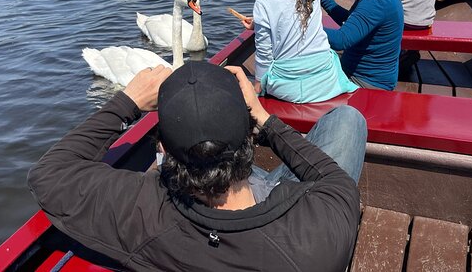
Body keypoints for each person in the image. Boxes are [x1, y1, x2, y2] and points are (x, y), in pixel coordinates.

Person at [28, 61, 366, 271]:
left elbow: (49, 173)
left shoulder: (144, 212)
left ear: (162, 150)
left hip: (188, 211)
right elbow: (333, 181)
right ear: (249, 136)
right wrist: (264, 118)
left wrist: (126, 103)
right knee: (348, 119)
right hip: (268, 213)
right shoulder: (323, 227)